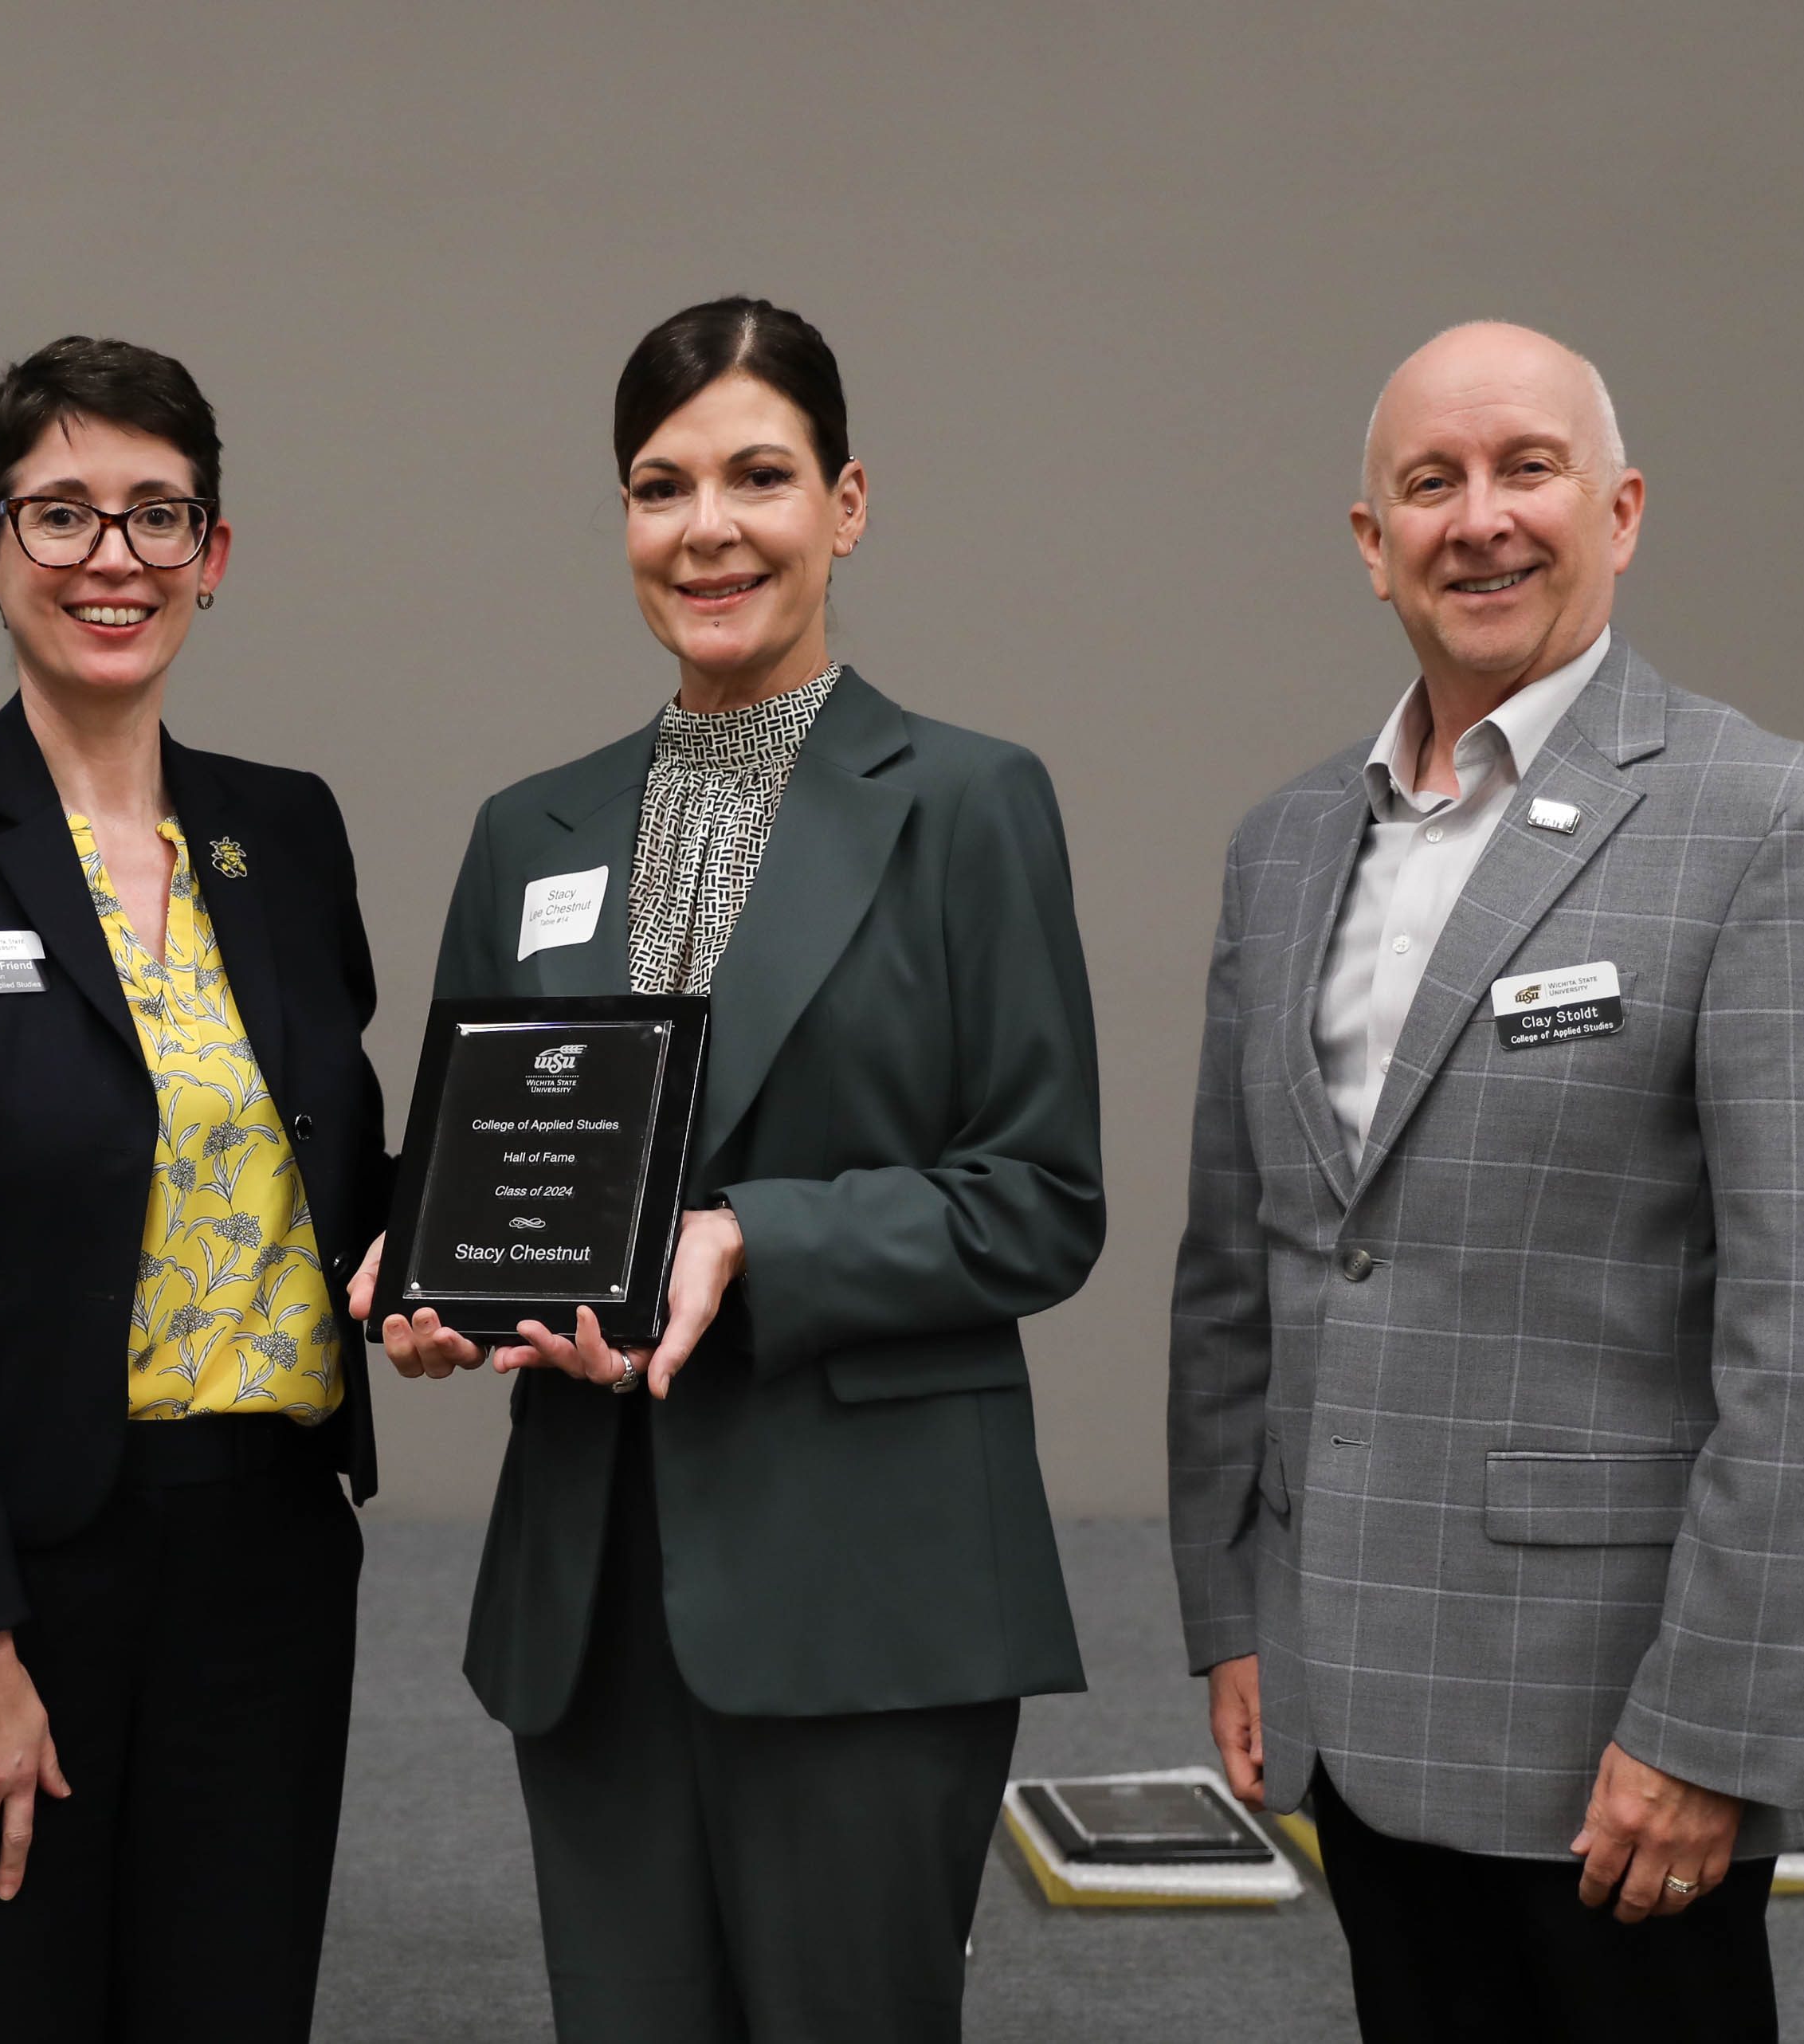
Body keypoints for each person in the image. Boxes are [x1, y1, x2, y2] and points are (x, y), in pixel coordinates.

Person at [348, 296, 1105, 2044]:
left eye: (758, 476)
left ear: (845, 503)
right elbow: (477, 1167)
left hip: (865, 1590)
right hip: (590, 1597)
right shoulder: (528, 828)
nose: (707, 527)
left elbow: (1040, 1194)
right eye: (658, 483)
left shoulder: (970, 803)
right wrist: (431, 1283)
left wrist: (748, 1239)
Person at [1165, 322, 1804, 2042]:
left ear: (1623, 509)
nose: (1479, 519)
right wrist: (1234, 1607)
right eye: (1429, 483)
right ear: (1370, 542)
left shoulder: (1771, 823)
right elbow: (1247, 1266)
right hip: (1351, 1691)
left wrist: (1716, 1723)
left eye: (1528, 469)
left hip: (1613, 1736)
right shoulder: (1285, 847)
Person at [0, 335, 392, 2042]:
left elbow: (321, 1163)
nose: (110, 559)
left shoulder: (284, 832)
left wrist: (452, 1258)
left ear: (215, 553)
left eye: (154, 516)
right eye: (59, 516)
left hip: (266, 1558)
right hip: (4, 1570)